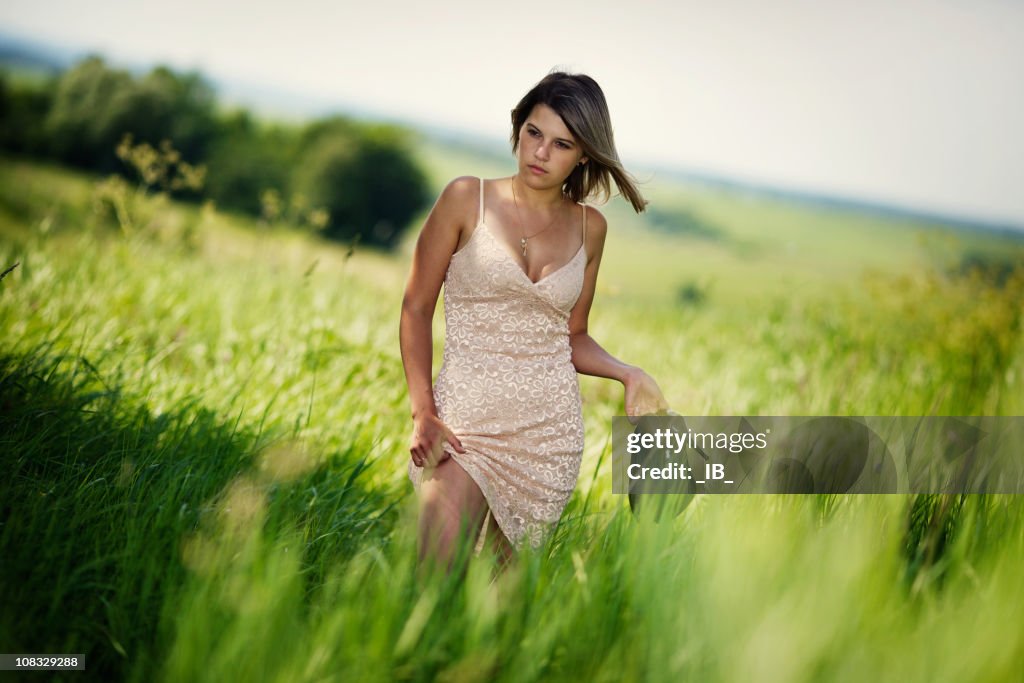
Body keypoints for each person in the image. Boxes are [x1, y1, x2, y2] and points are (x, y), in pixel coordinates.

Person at [400, 70, 667, 571]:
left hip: (546, 436)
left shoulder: (592, 228)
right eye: (533, 133)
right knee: (431, 578)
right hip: (462, 422)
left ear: (584, 153)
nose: (541, 153)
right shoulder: (466, 198)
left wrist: (628, 373)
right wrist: (422, 411)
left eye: (562, 144)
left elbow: (573, 336)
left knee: (499, 607)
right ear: (518, 129)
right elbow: (416, 306)